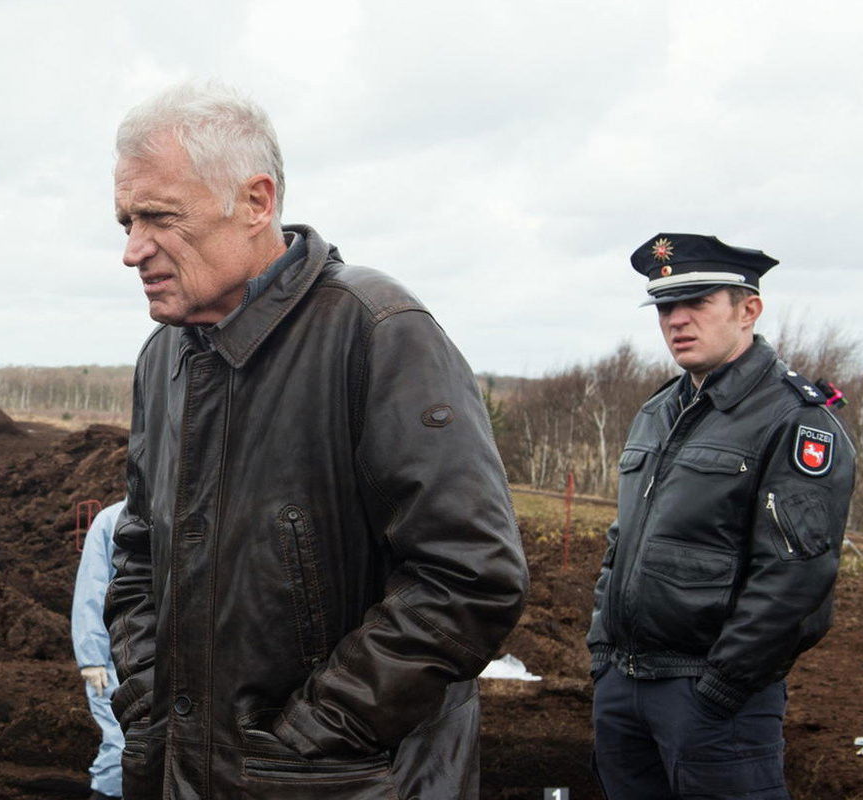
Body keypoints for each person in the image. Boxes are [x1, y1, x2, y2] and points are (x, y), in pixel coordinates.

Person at [105, 81, 527, 798]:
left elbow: (468, 575)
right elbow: (141, 550)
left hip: (342, 781)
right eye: (125, 223)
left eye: (159, 218)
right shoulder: (164, 357)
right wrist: (149, 704)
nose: (133, 250)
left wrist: (311, 739)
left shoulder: (376, 331)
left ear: (257, 201)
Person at [588, 234, 856, 798]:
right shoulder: (657, 413)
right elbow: (623, 542)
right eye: (665, 307)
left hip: (710, 700)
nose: (677, 321)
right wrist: (602, 657)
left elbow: (796, 577)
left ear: (748, 310)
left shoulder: (793, 419)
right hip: (625, 689)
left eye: (698, 303)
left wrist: (722, 687)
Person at [70, 499, 126, 800]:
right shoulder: (112, 520)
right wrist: (92, 659)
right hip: (119, 659)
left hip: (174, 661)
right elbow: (93, 588)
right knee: (121, 743)